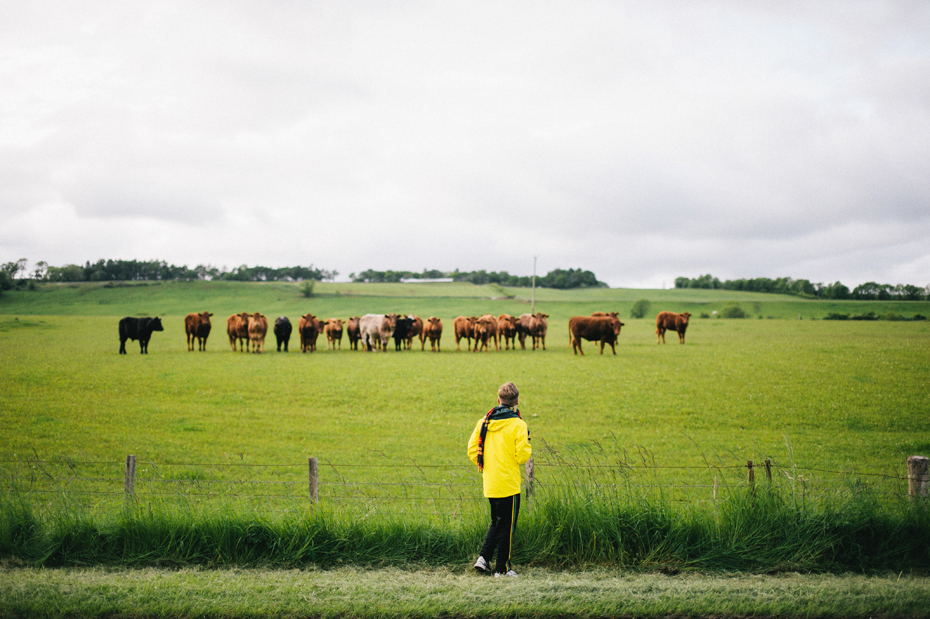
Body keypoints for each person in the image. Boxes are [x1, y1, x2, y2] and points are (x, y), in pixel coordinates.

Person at [467, 381, 532, 577]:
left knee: (497, 522)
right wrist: (527, 442)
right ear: (517, 401)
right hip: (509, 483)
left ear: (498, 400)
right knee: (507, 527)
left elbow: (472, 450)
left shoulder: (483, 422)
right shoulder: (518, 424)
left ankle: (484, 558)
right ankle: (502, 569)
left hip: (490, 481)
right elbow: (522, 457)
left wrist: (490, 465)